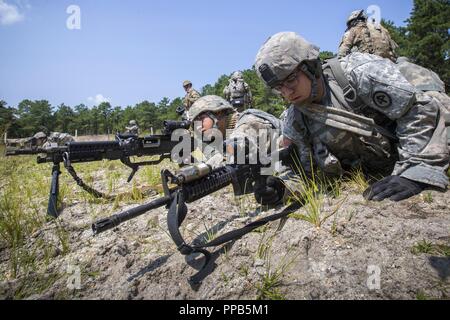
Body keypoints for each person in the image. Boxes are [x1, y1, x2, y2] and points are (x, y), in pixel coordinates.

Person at [253, 31, 449, 205]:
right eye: (278, 87)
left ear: (310, 67)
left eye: (290, 79)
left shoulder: (358, 73)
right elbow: (307, 174)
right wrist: (282, 189)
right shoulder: (296, 119)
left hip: (421, 142)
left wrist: (413, 172)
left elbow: (418, 110)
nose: (287, 92)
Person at [187, 95, 283, 174]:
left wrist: (196, 172)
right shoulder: (224, 132)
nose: (198, 127)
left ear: (218, 112)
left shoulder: (248, 123)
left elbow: (232, 158)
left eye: (200, 119)